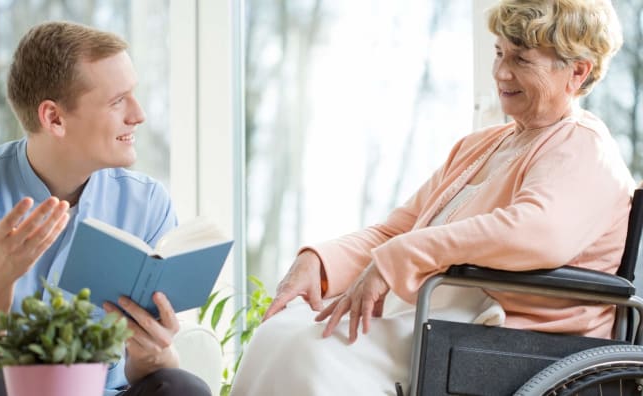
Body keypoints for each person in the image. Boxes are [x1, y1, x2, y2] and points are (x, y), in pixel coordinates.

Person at [230, 0, 634, 395]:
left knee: (311, 352)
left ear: (577, 72)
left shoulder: (583, 146)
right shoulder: (482, 145)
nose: (501, 72)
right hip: (442, 310)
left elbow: (535, 232)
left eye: (522, 60)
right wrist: (318, 260)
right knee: (280, 331)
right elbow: (398, 229)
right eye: (498, 53)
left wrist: (400, 260)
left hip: (505, 330)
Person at [0, 22, 211, 396]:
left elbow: (143, 371)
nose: (138, 114)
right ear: (54, 118)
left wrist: (153, 354)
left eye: (133, 95)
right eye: (117, 101)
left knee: (181, 386)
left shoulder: (147, 204)